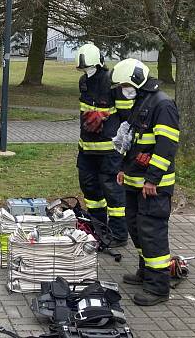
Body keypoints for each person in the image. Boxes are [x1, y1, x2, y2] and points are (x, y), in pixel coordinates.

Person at [112, 58, 179, 306]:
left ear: (138, 80)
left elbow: (166, 146)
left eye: (125, 85)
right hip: (134, 181)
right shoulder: (141, 102)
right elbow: (131, 141)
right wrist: (122, 168)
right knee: (136, 228)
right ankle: (145, 272)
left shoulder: (162, 105)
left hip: (152, 186)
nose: (122, 90)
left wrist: (152, 179)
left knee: (152, 234)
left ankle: (158, 287)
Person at [74, 43, 128, 247]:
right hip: (87, 149)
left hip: (109, 151)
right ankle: (98, 229)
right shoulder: (83, 83)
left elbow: (125, 117)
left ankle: (118, 235)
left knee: (113, 193)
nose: (85, 72)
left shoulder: (112, 83)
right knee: (91, 191)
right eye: (82, 69)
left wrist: (104, 117)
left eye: (88, 67)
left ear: (98, 63)